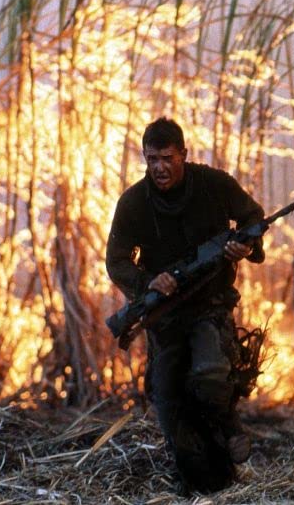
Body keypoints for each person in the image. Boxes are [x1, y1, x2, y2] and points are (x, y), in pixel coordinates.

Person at [106, 117, 264, 491]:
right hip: (166, 316)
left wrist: (244, 247)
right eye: (152, 159)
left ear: (183, 155)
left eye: (167, 158)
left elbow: (253, 217)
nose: (160, 167)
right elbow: (117, 261)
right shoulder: (133, 203)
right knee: (170, 404)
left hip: (211, 305)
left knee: (210, 377)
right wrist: (148, 281)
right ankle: (200, 485)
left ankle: (227, 428)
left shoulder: (214, 184)